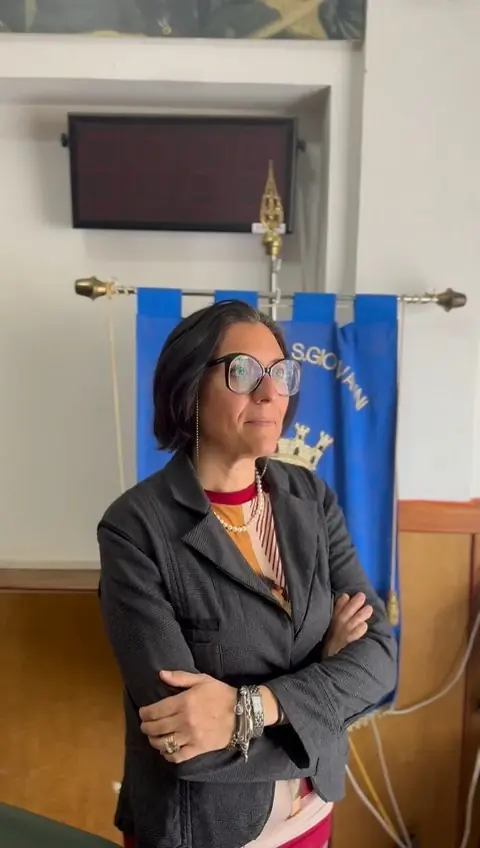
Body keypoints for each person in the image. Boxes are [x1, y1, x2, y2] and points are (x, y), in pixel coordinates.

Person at [98, 299, 397, 848]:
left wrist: (249, 708)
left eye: (281, 373)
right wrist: (324, 684)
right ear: (189, 386)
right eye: (244, 372)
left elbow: (379, 659)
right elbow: (186, 740)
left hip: (311, 814)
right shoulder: (135, 528)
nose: (270, 392)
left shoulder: (310, 497)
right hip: (205, 828)